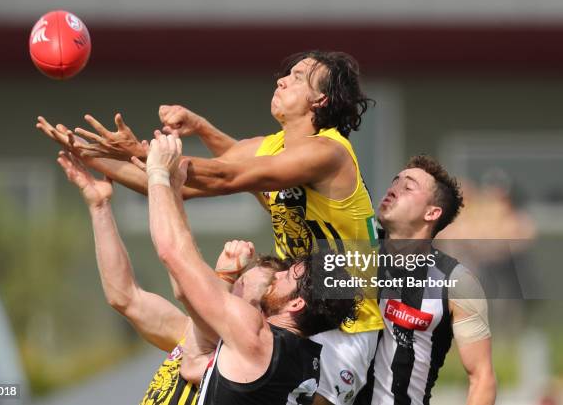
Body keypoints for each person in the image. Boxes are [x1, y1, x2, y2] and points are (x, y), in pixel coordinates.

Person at [36, 50, 383, 405]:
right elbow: (180, 184)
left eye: (297, 77)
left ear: (320, 99)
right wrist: (88, 153)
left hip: (345, 325)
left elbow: (227, 176)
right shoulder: (273, 147)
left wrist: (143, 154)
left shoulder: (329, 152)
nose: (281, 79)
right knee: (204, 356)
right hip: (287, 308)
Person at [54, 147, 289, 405]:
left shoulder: (248, 359)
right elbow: (125, 296)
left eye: (242, 284)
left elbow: (185, 287)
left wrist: (225, 275)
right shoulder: (191, 331)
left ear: (264, 313)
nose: (234, 288)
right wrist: (100, 206)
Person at [144, 130, 357, 404]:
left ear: (295, 305)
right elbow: (194, 361)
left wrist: (158, 174)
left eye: (286, 276)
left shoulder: (254, 335)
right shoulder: (308, 360)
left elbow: (172, 252)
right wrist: (174, 192)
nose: (276, 274)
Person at [355, 155, 497, 405]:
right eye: (394, 181)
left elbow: (481, 377)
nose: (394, 188)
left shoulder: (457, 282)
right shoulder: (353, 255)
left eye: (408, 187)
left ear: (432, 212)